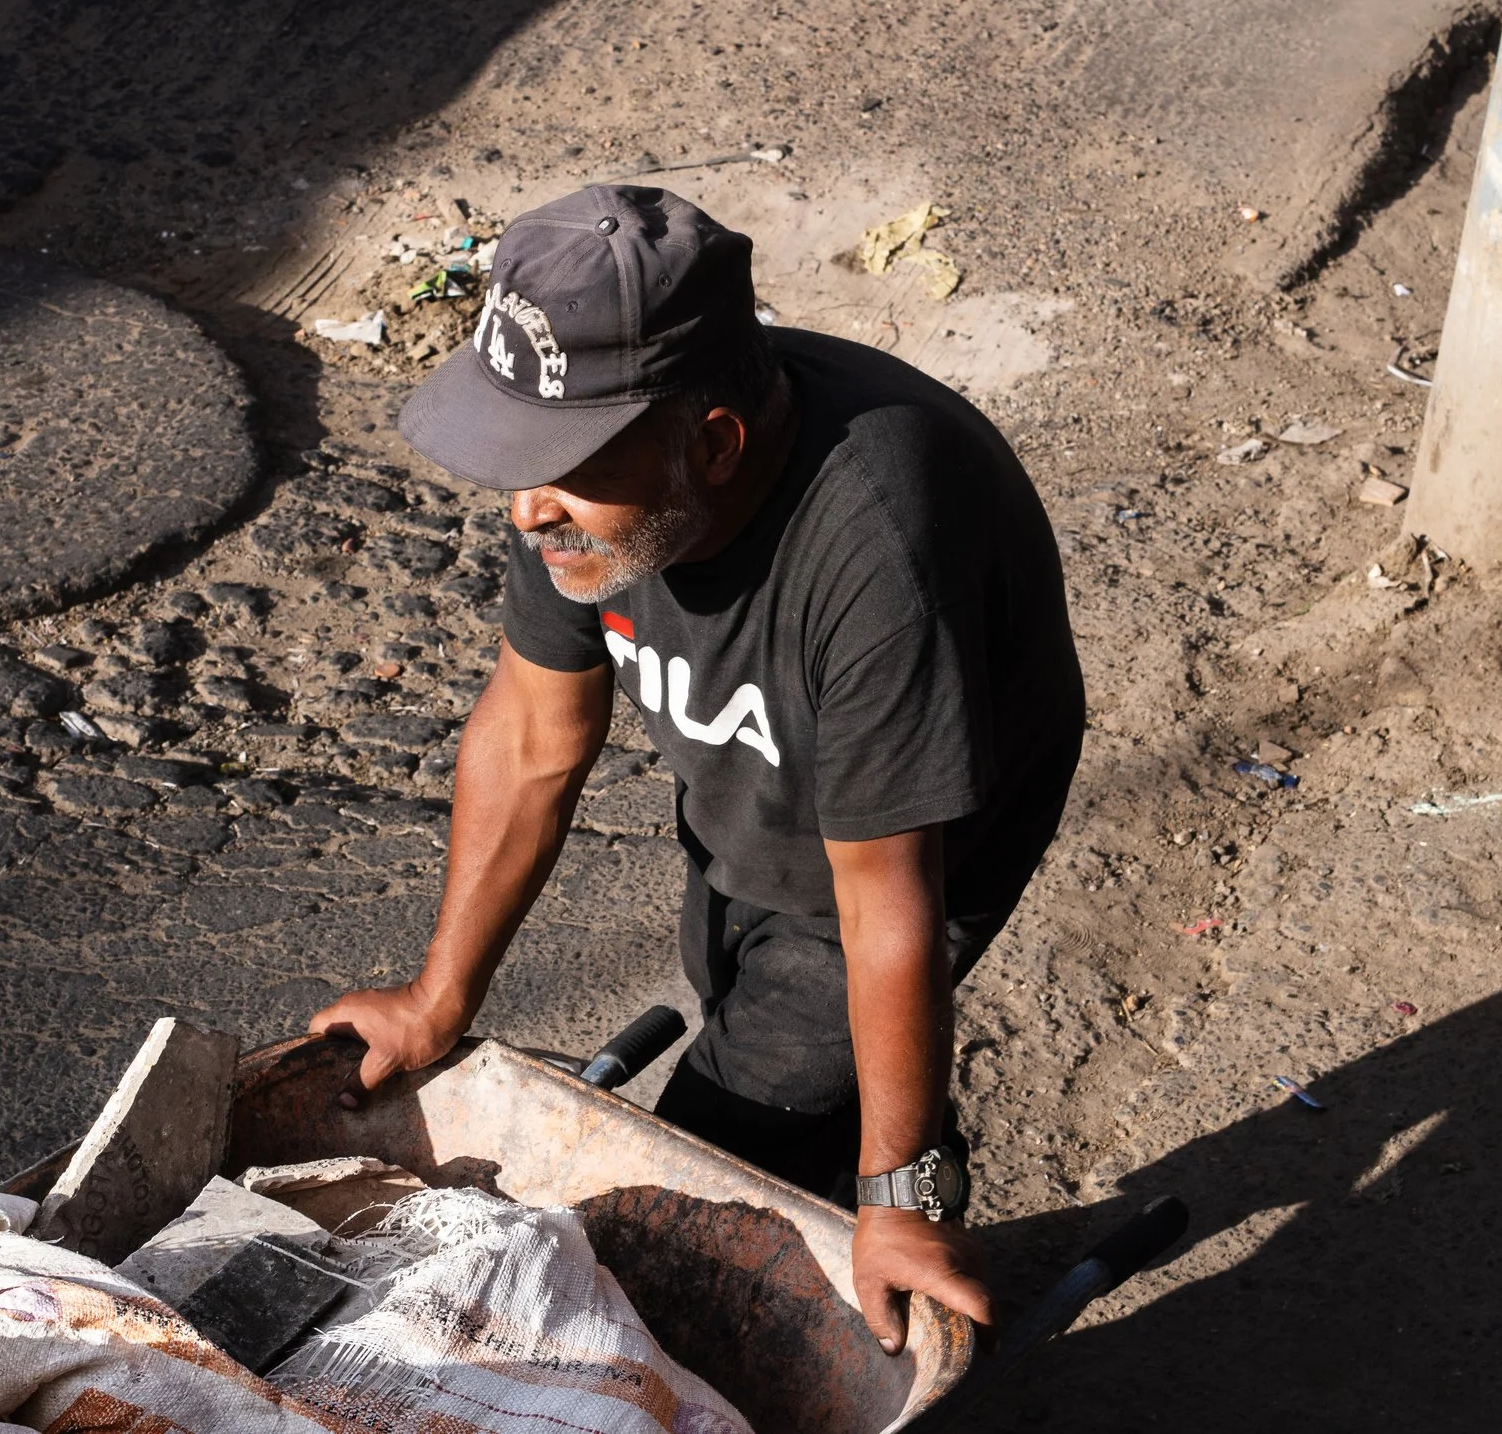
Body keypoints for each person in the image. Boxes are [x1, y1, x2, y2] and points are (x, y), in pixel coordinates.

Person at [308, 185, 1085, 1355]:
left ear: (713, 443)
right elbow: (530, 734)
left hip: (904, 839)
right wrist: (436, 999)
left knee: (700, 1208)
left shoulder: (880, 541)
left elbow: (885, 903)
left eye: (560, 470)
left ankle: (889, 1224)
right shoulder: (578, 493)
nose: (525, 509)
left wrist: (900, 1196)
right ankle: (851, 1169)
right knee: (733, 974)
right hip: (755, 782)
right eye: (515, 462)